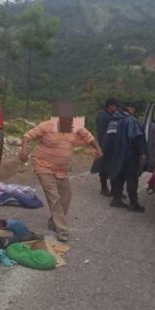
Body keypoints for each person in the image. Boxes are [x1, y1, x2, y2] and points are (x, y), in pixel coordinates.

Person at [20, 101, 103, 242]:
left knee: (66, 196)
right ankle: (62, 230)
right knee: (54, 198)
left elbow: (89, 137)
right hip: (43, 166)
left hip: (61, 170)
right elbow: (27, 136)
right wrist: (24, 149)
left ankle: (53, 223)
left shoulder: (75, 126)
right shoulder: (46, 125)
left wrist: (98, 149)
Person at [103, 102, 147, 212]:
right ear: (130, 109)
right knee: (132, 178)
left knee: (118, 176)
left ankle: (116, 199)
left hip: (116, 154)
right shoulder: (131, 120)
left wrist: (106, 152)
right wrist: (142, 152)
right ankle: (133, 204)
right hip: (129, 155)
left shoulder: (114, 120)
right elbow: (137, 137)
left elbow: (108, 137)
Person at [90, 98, 117, 196]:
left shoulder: (110, 115)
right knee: (104, 168)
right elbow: (102, 133)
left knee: (112, 168)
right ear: (110, 106)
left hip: (110, 145)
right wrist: (101, 147)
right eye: (115, 106)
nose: (116, 108)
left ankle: (115, 190)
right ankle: (104, 188)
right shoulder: (103, 116)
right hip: (104, 145)